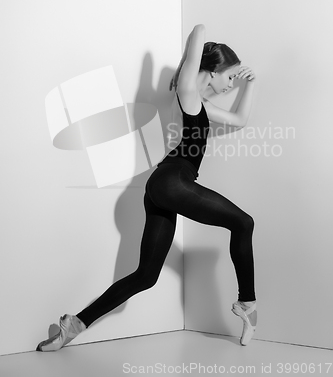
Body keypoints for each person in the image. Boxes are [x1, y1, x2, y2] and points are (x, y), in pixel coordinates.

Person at [36, 24, 257, 351]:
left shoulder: (198, 104)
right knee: (244, 222)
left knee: (146, 275)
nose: (230, 84)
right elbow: (199, 30)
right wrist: (187, 64)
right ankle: (247, 303)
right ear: (209, 72)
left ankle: (73, 325)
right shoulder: (187, 91)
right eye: (229, 77)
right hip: (173, 181)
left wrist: (250, 84)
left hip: (162, 186)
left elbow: (240, 120)